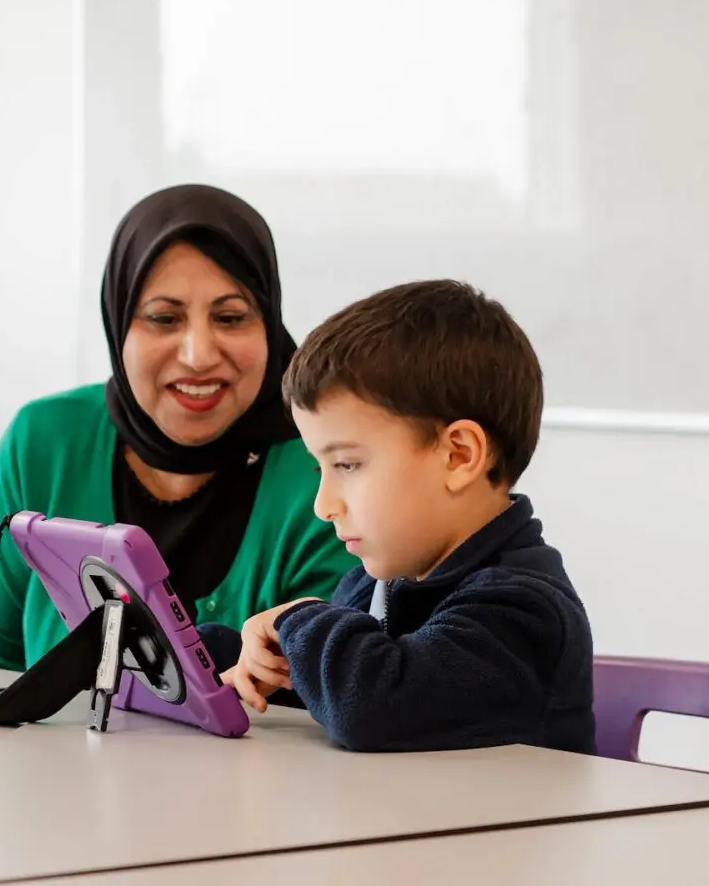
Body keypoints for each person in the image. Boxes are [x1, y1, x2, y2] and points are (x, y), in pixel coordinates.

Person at [0, 184, 358, 671]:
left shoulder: (324, 465)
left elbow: (323, 686)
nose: (197, 355)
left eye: (231, 317)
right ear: (119, 322)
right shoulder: (43, 442)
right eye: (164, 318)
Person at [215, 279, 596, 754]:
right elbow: (325, 692)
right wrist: (232, 657)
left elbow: (373, 706)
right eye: (321, 468)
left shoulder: (523, 611)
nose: (323, 504)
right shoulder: (373, 586)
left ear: (458, 456)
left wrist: (296, 620)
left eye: (347, 465)